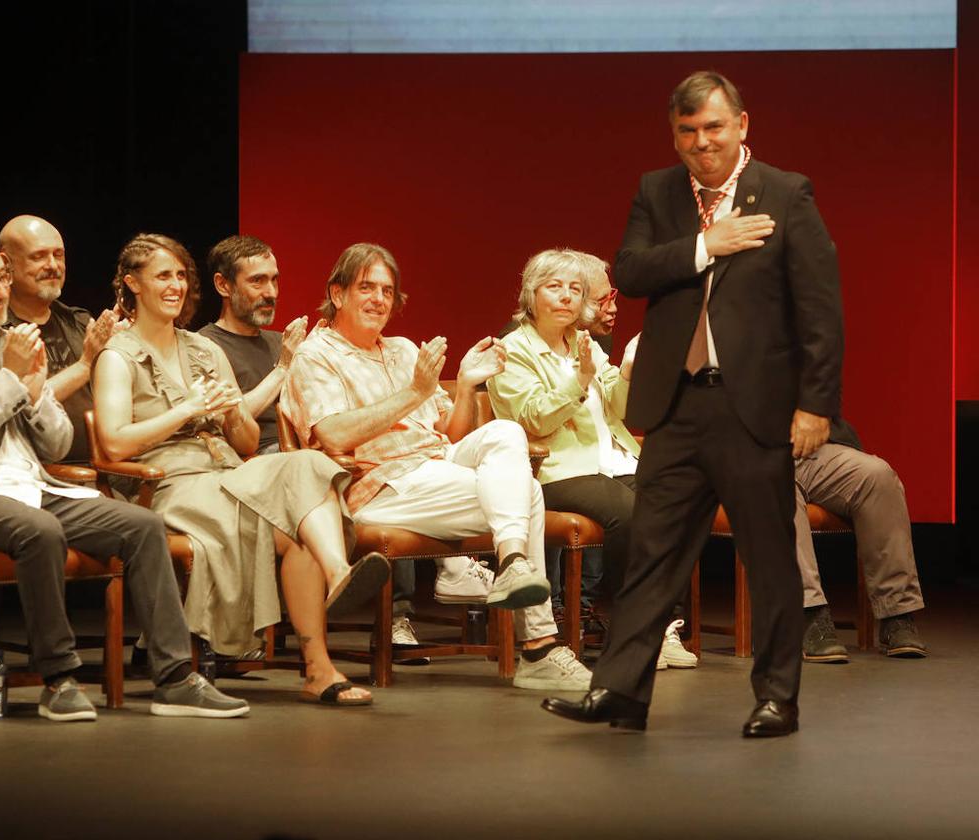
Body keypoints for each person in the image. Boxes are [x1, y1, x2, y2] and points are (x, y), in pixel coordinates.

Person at [543, 71, 844, 737]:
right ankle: (620, 691)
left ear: (742, 125)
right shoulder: (659, 191)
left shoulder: (787, 195)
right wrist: (710, 243)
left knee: (769, 559)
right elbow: (630, 270)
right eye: (687, 132)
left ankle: (777, 699)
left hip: (756, 408)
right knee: (652, 554)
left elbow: (821, 310)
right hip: (676, 404)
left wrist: (815, 404)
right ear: (674, 137)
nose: (701, 143)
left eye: (713, 127)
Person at [0, 230, 249, 721]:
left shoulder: (10, 342)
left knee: (141, 527)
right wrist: (13, 379)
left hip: (34, 484)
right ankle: (58, 678)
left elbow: (56, 443)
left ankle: (175, 678)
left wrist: (35, 392)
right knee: (41, 531)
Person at [92, 233, 389, 706]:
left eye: (180, 276)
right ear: (132, 284)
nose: (175, 286)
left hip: (227, 472)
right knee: (297, 525)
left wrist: (231, 412)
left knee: (307, 469)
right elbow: (112, 441)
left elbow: (247, 441)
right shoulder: (117, 356)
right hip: (168, 483)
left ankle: (335, 591)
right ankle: (320, 659)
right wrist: (186, 410)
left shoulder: (203, 352)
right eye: (162, 276)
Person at [281, 242, 590, 691]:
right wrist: (413, 393)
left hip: (434, 466)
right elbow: (333, 436)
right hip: (378, 487)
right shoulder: (317, 355)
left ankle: (513, 563)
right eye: (366, 288)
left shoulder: (404, 350)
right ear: (338, 292)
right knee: (528, 491)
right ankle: (538, 645)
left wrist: (465, 383)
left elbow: (453, 431)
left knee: (506, 435)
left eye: (387, 291)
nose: (378, 300)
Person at [488, 248, 696, 671]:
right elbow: (534, 419)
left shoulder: (585, 345)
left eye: (575, 289)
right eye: (555, 287)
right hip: (556, 468)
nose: (566, 297)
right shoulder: (512, 350)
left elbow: (617, 409)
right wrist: (578, 380)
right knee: (631, 513)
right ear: (532, 294)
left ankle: (662, 626)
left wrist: (630, 369)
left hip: (613, 461)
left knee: (675, 506)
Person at [797, 418, 927, 662]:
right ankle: (808, 612)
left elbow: (820, 386)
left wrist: (814, 411)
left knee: (878, 477)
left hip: (812, 446)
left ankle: (896, 612)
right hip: (752, 453)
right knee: (774, 485)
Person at [0, 215, 121, 463]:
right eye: (38, 256)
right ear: (6, 264)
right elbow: (19, 405)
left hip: (110, 465)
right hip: (43, 472)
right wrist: (85, 365)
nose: (53, 265)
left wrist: (121, 351)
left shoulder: (78, 321)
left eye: (59, 254)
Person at [198, 235, 307, 456]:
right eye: (257, 281)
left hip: (301, 448)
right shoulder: (203, 346)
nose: (271, 293)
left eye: (274, 280)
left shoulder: (282, 342)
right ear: (223, 285)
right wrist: (282, 369)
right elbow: (227, 420)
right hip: (253, 458)